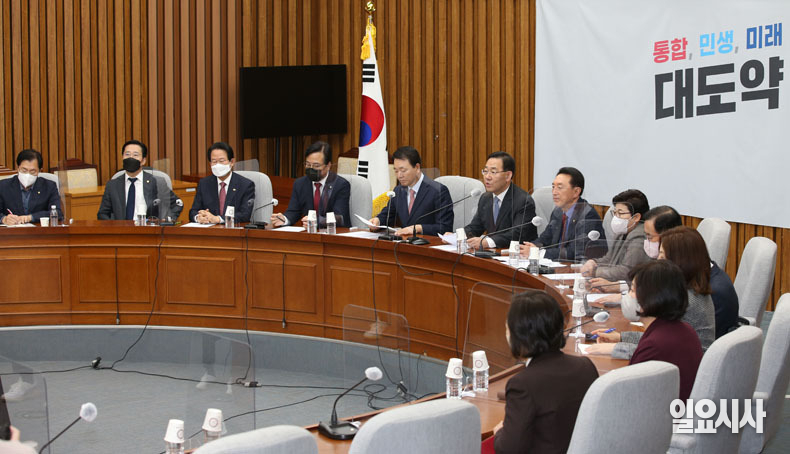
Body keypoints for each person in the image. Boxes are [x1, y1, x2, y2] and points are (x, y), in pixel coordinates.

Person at [492, 289, 598, 454]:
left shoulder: (522, 384)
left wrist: (499, 432)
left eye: (507, 328)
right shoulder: (586, 366)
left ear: (520, 335)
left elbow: (509, 449)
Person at [588, 226, 716, 358]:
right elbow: (659, 336)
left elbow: (659, 349)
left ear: (678, 262)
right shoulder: (685, 289)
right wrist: (621, 337)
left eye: (662, 256)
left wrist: (617, 348)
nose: (658, 261)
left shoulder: (684, 299)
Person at [594, 261, 703, 400]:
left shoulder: (655, 345)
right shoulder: (684, 330)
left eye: (632, 290)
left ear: (650, 298)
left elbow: (628, 395)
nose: (627, 296)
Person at [518, 167, 606, 261]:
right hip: (557, 264)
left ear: (576, 192)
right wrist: (533, 246)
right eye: (553, 187)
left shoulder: (588, 215)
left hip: (579, 267)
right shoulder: (558, 211)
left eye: (559, 188)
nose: (554, 192)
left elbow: (574, 252)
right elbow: (546, 238)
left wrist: (538, 253)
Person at [368, 146, 453, 236]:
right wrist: (378, 221)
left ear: (417, 168)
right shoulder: (398, 190)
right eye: (396, 171)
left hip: (428, 242)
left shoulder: (438, 191)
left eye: (403, 170)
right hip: (404, 242)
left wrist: (419, 228)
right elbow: (389, 214)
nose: (399, 176)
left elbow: (445, 227)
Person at [464, 151, 537, 249]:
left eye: (493, 172)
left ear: (508, 176)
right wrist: (457, 236)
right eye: (485, 171)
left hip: (518, 254)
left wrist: (487, 242)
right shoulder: (485, 198)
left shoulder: (524, 201)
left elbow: (517, 234)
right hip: (493, 253)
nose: (487, 177)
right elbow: (475, 227)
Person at [97, 140, 183, 221]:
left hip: (149, 229)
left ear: (143, 161)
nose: (131, 158)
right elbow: (102, 214)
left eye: (135, 155)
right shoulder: (112, 185)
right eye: (127, 154)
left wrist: (168, 220)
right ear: (122, 157)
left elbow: (177, 204)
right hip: (122, 229)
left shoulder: (156, 182)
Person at [270, 141, 350, 228]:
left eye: (316, 166)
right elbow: (293, 212)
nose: (311, 169)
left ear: (328, 166)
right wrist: (284, 219)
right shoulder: (300, 184)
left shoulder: (340, 185)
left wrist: (316, 222)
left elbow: (339, 218)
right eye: (308, 164)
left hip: (335, 233)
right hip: (309, 233)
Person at [581, 189, 650, 282]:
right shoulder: (622, 232)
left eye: (620, 213)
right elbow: (609, 259)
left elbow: (627, 271)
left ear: (636, 217)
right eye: (615, 213)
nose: (616, 217)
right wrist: (593, 262)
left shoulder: (640, 237)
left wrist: (595, 272)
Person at [189, 142, 255, 224]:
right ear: (210, 164)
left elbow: (245, 215)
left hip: (233, 229)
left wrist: (218, 219)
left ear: (232, 162)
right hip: (209, 229)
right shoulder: (204, 183)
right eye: (214, 161)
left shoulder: (245, 185)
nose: (218, 165)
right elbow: (193, 211)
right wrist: (198, 217)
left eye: (221, 161)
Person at [0, 149, 62, 225]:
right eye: (24, 170)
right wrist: (4, 219)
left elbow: (58, 213)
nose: (27, 175)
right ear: (18, 168)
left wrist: (30, 217)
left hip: (39, 230)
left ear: (39, 171)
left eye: (32, 171)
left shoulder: (49, 186)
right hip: (12, 230)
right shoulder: (3, 186)